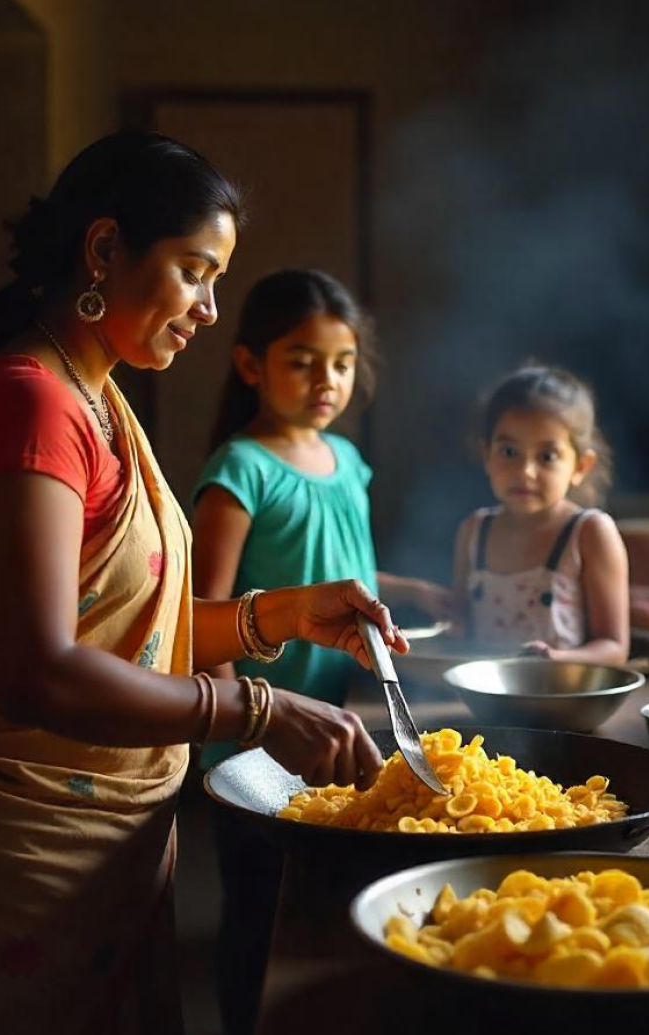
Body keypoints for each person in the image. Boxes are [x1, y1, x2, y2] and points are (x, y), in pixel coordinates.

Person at [0, 132, 402, 1035]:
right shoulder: (30, 403)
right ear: (103, 250)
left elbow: (131, 631)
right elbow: (36, 670)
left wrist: (278, 614)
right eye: (195, 271)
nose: (209, 309)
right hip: (4, 859)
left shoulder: (94, 396)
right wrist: (255, 711)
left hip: (98, 858)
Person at [190, 267, 451, 1033]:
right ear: (250, 366)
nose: (325, 379)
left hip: (341, 720)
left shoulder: (346, 461)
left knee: (320, 902)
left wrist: (411, 588)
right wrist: (249, 726)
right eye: (301, 360)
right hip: (259, 741)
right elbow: (204, 616)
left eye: (340, 363)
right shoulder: (240, 471)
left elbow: (343, 571)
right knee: (259, 909)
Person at [451, 364, 629, 663]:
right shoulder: (473, 531)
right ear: (486, 455)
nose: (525, 472)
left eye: (547, 457)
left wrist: (554, 661)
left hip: (562, 703)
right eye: (509, 452)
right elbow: (459, 629)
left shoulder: (589, 533)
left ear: (580, 467)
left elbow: (614, 647)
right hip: (483, 704)